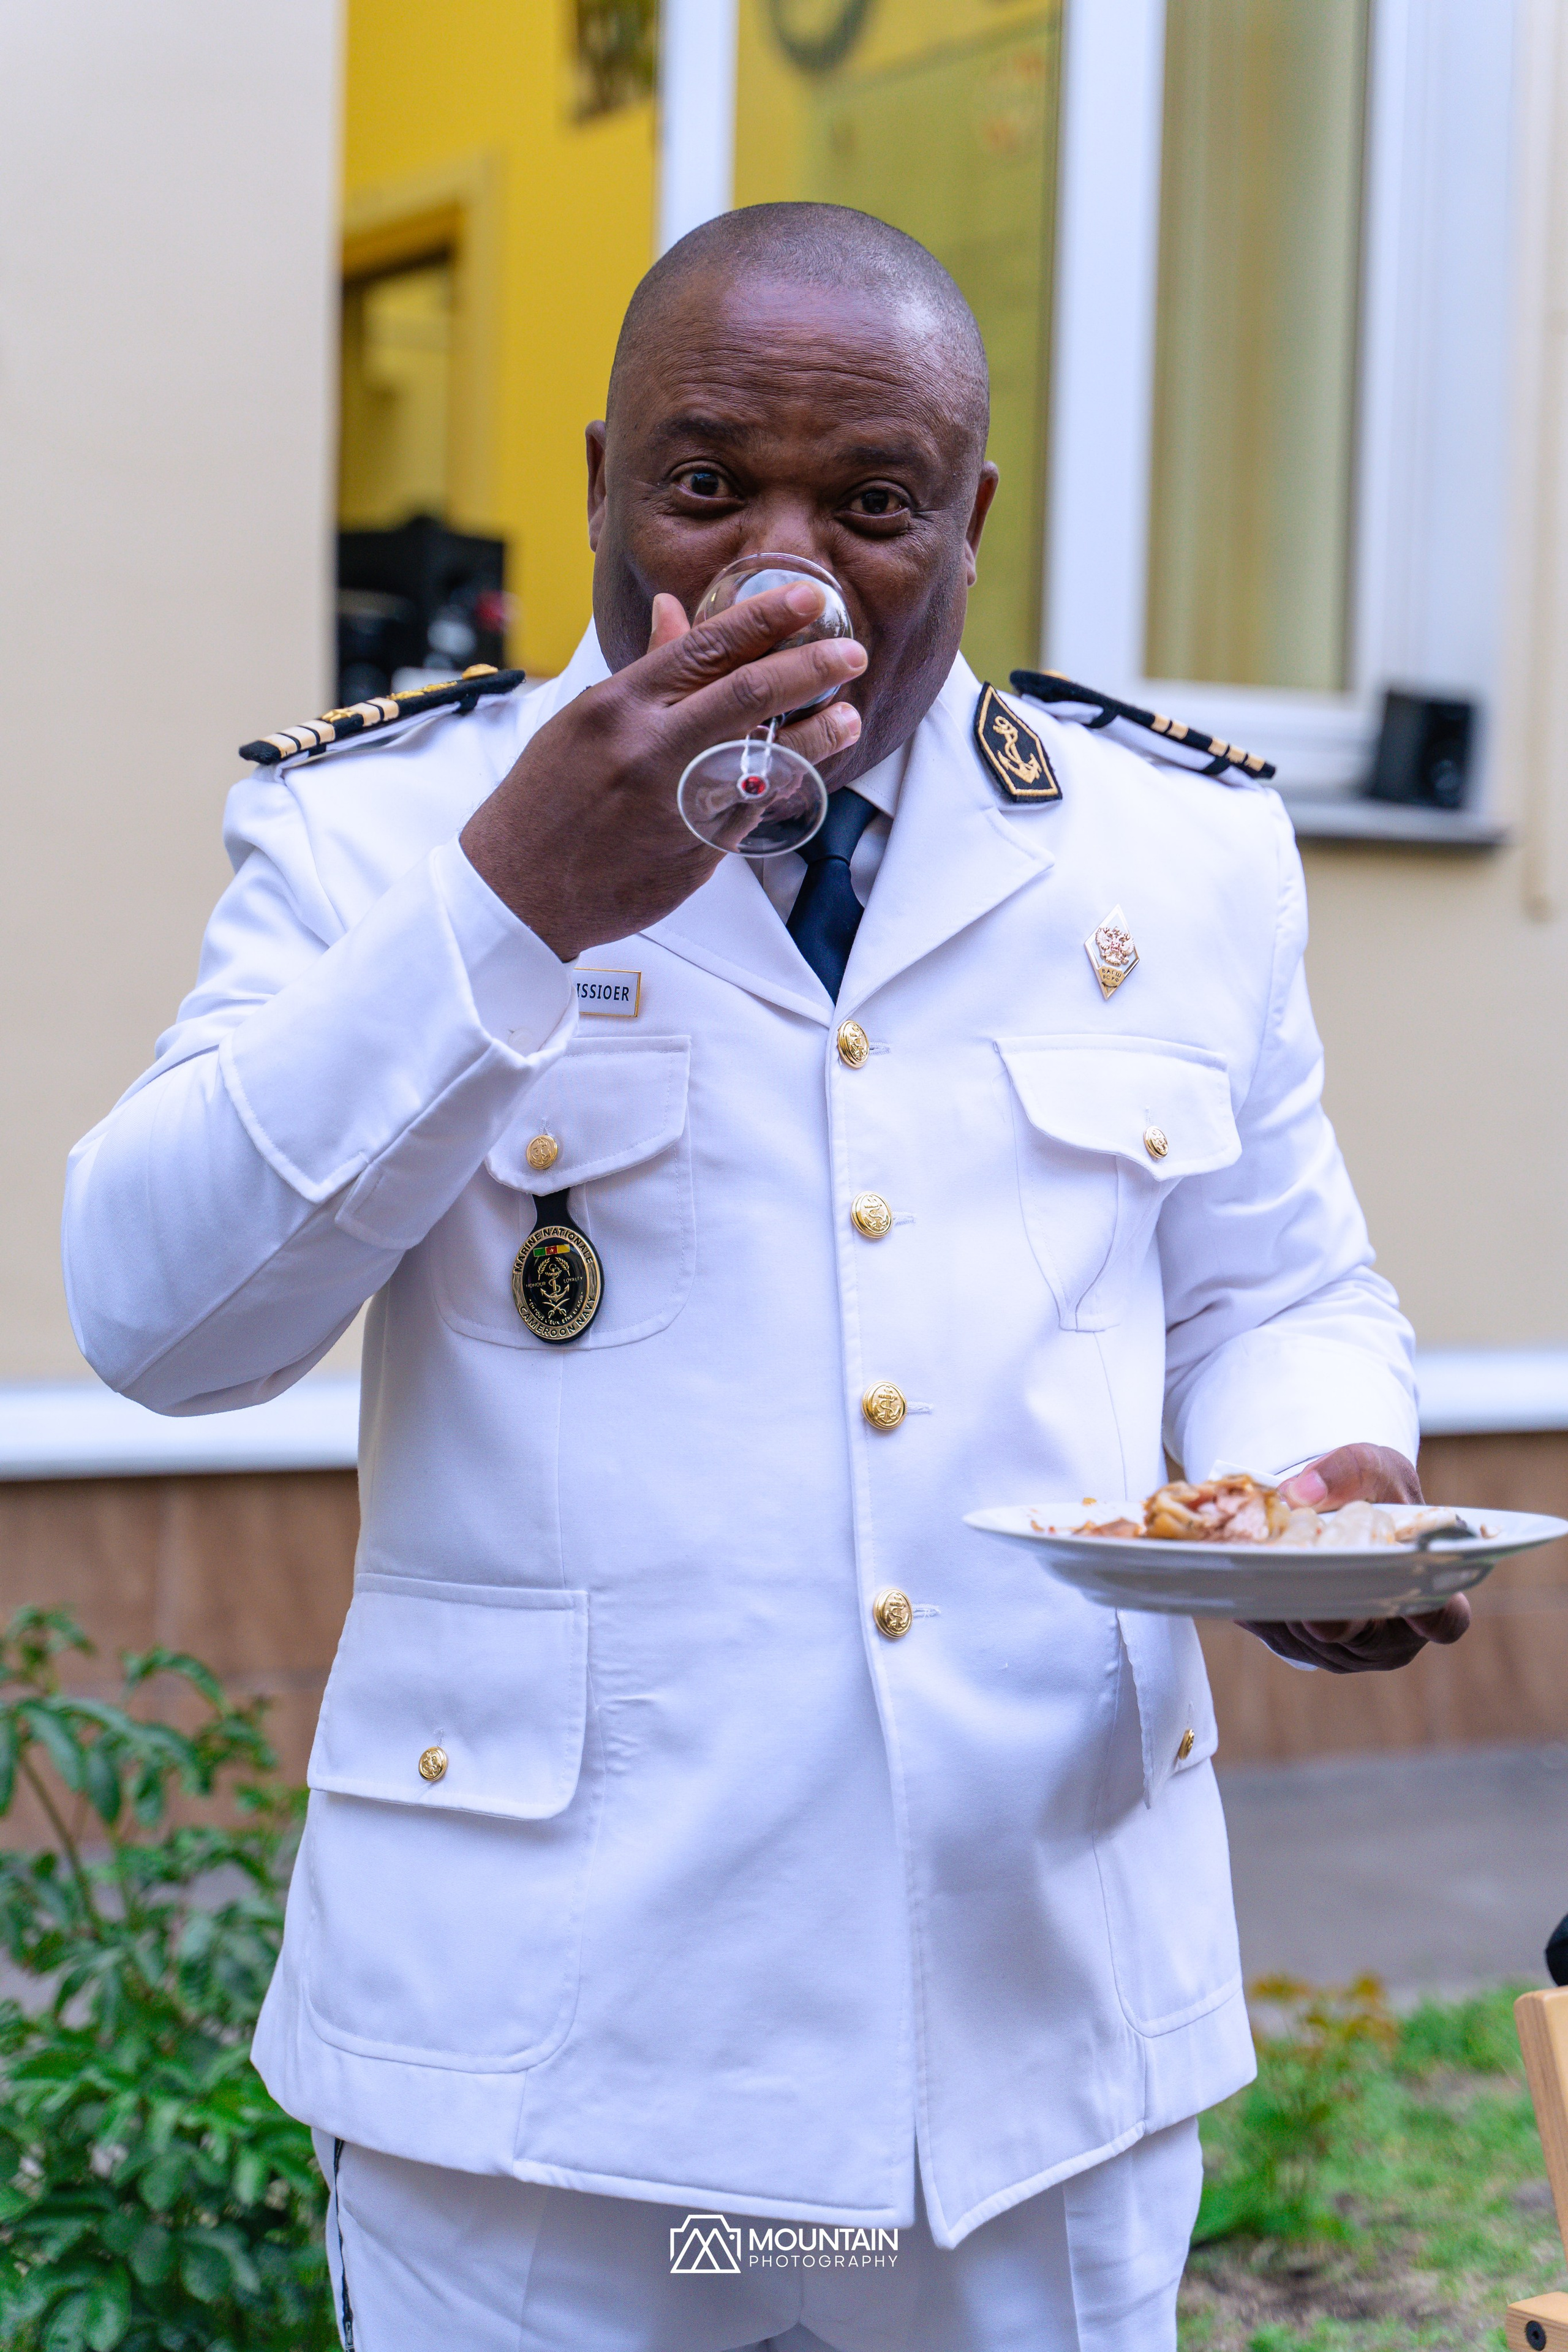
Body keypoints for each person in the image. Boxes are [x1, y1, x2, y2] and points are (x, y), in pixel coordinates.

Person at [62, 204, 1467, 2351]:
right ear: (603, 478)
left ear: (973, 520)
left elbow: (1279, 1294)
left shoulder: (1172, 850)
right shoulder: (391, 831)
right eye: (707, 485)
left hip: (1022, 2062)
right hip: (548, 2090)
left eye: (873, 502)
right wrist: (515, 905)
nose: (773, 563)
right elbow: (156, 1325)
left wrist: (1320, 1491)